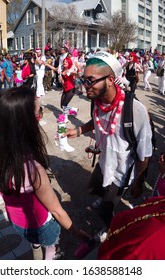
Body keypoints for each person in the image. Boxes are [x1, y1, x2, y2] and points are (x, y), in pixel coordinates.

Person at [0, 86, 91, 260]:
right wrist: (78, 233)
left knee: (35, 240)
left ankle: (35, 243)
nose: (40, 115)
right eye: (38, 112)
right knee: (50, 245)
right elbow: (56, 211)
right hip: (41, 225)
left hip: (16, 221)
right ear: (26, 123)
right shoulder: (33, 170)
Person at [65, 51, 153, 235]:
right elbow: (96, 120)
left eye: (90, 80)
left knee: (105, 210)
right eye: (83, 80)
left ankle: (110, 229)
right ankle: (104, 198)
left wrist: (138, 183)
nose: (84, 85)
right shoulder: (96, 100)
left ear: (111, 79)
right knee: (93, 187)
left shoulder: (135, 110)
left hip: (121, 170)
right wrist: (78, 130)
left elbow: (144, 154)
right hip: (105, 160)